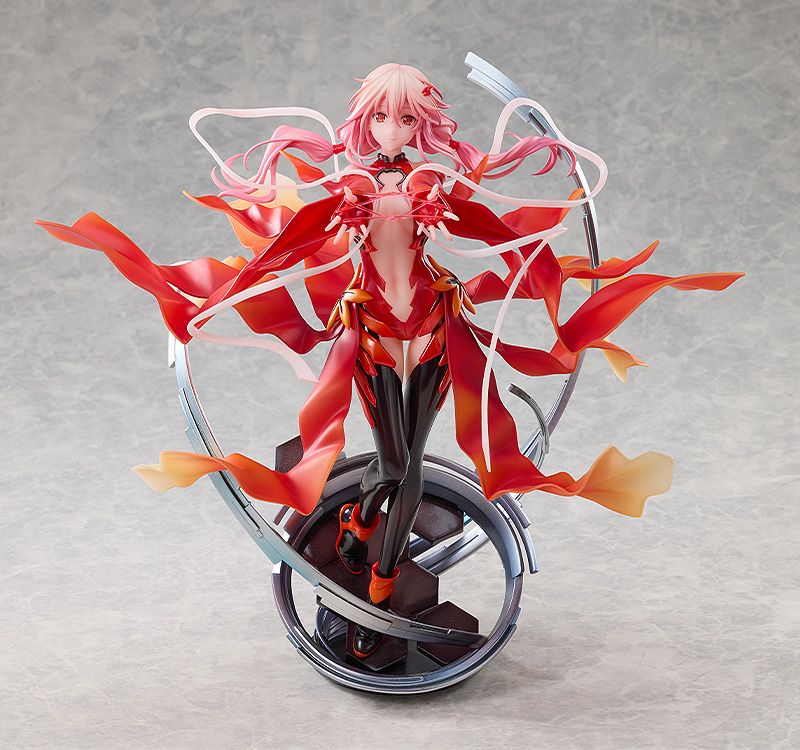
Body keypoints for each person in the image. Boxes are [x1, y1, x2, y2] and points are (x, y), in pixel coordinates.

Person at [36, 62, 743, 659]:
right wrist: (208, 297)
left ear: (423, 125)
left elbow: (505, 238)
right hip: (372, 333)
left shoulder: (437, 185)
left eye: (407, 120)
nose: (393, 131)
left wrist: (549, 264)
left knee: (410, 467)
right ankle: (359, 527)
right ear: (364, 121)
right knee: (395, 463)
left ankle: (377, 582)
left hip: (434, 329)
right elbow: (280, 255)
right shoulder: (348, 189)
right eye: (382, 118)